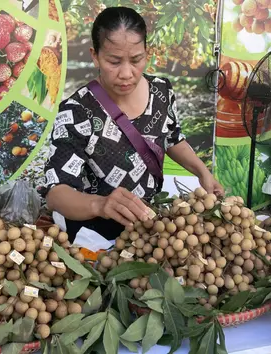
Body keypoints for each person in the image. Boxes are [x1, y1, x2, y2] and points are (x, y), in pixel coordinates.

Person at [40, 7, 224, 241]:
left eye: (136, 60)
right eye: (114, 61)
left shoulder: (161, 91)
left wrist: (202, 172)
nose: (126, 73)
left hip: (149, 229)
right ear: (95, 55)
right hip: (95, 234)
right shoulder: (77, 111)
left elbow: (171, 137)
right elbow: (56, 193)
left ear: (147, 53)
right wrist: (101, 205)